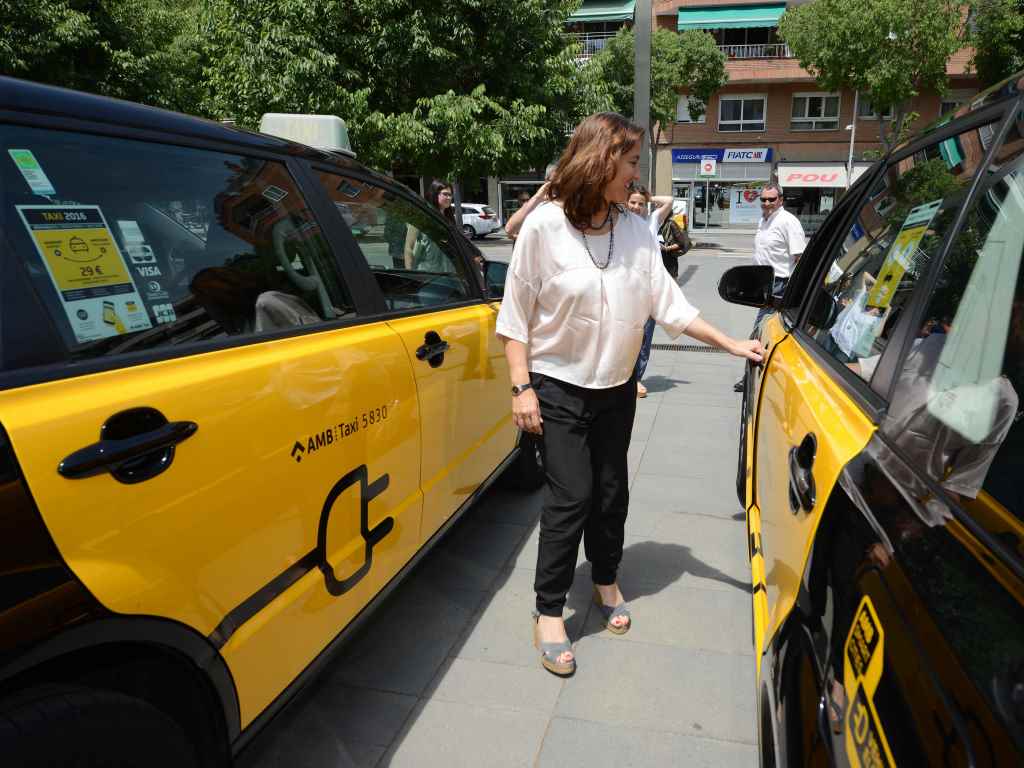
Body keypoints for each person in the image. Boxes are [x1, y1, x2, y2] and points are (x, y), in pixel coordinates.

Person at [495, 112, 764, 676]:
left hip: (615, 390)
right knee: (571, 495)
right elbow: (514, 319)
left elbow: (671, 306)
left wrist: (730, 344)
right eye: (632, 161)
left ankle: (605, 577)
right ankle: (549, 609)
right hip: (557, 387)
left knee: (611, 491)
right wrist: (521, 387)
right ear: (599, 161)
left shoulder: (637, 231)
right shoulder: (544, 227)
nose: (637, 176)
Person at [734, 182, 807, 392]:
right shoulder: (764, 220)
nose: (767, 203)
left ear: (781, 200)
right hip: (764, 284)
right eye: (763, 199)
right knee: (767, 333)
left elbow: (799, 258)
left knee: (759, 332)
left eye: (771, 199)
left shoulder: (788, 222)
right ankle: (762, 377)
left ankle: (750, 381)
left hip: (780, 285)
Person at [626, 185, 675, 398]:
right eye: (632, 202)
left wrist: (647, 196)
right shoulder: (620, 223)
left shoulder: (652, 220)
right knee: (627, 335)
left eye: (640, 203)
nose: (636, 207)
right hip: (627, 288)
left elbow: (669, 201)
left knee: (645, 335)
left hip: (650, 289)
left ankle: (636, 379)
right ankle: (625, 377)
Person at [404, 180, 456, 272]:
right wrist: (410, 273)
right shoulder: (421, 217)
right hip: (428, 274)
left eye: (450, 195)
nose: (449, 198)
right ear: (435, 194)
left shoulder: (450, 219)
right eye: (445, 194)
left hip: (449, 274)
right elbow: (408, 247)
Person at [504, 166, 557, 240]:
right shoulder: (537, 204)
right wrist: (537, 198)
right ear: (546, 182)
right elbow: (509, 230)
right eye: (555, 182)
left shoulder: (572, 205)